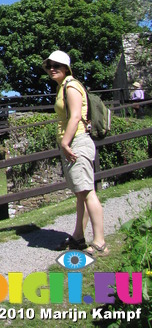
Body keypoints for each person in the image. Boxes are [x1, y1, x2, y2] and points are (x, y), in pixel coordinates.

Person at [43, 50, 108, 256]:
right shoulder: (64, 87)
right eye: (50, 65)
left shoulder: (71, 86)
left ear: (66, 68)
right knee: (81, 194)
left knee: (88, 193)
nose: (52, 68)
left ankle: (100, 242)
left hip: (77, 143)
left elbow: (76, 117)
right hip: (75, 143)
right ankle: (78, 238)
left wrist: (64, 142)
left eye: (57, 65)